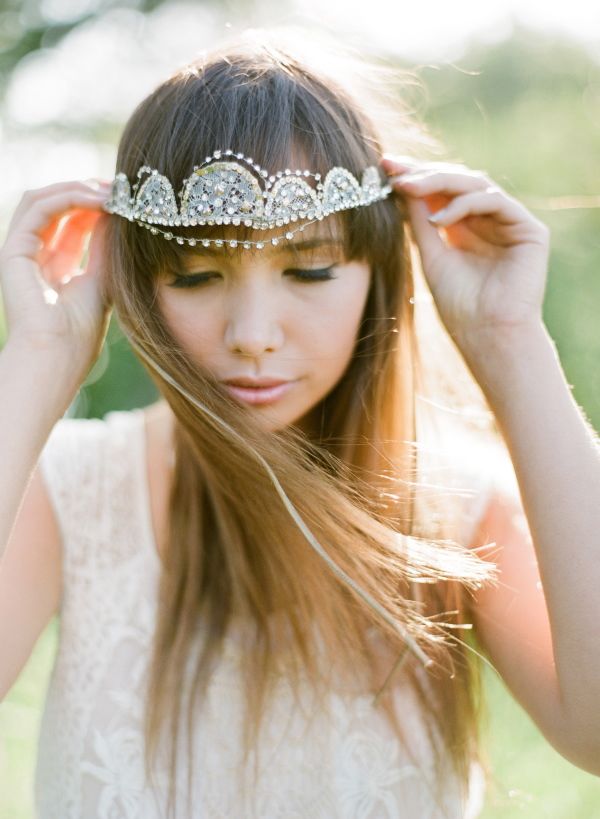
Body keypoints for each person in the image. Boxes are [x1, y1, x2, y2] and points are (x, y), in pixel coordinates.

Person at [1, 26, 599, 819]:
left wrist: (510, 342)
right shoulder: (69, 491)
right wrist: (40, 358)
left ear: (376, 270)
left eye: (309, 269)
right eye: (198, 274)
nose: (253, 332)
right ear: (138, 284)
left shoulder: (457, 505)